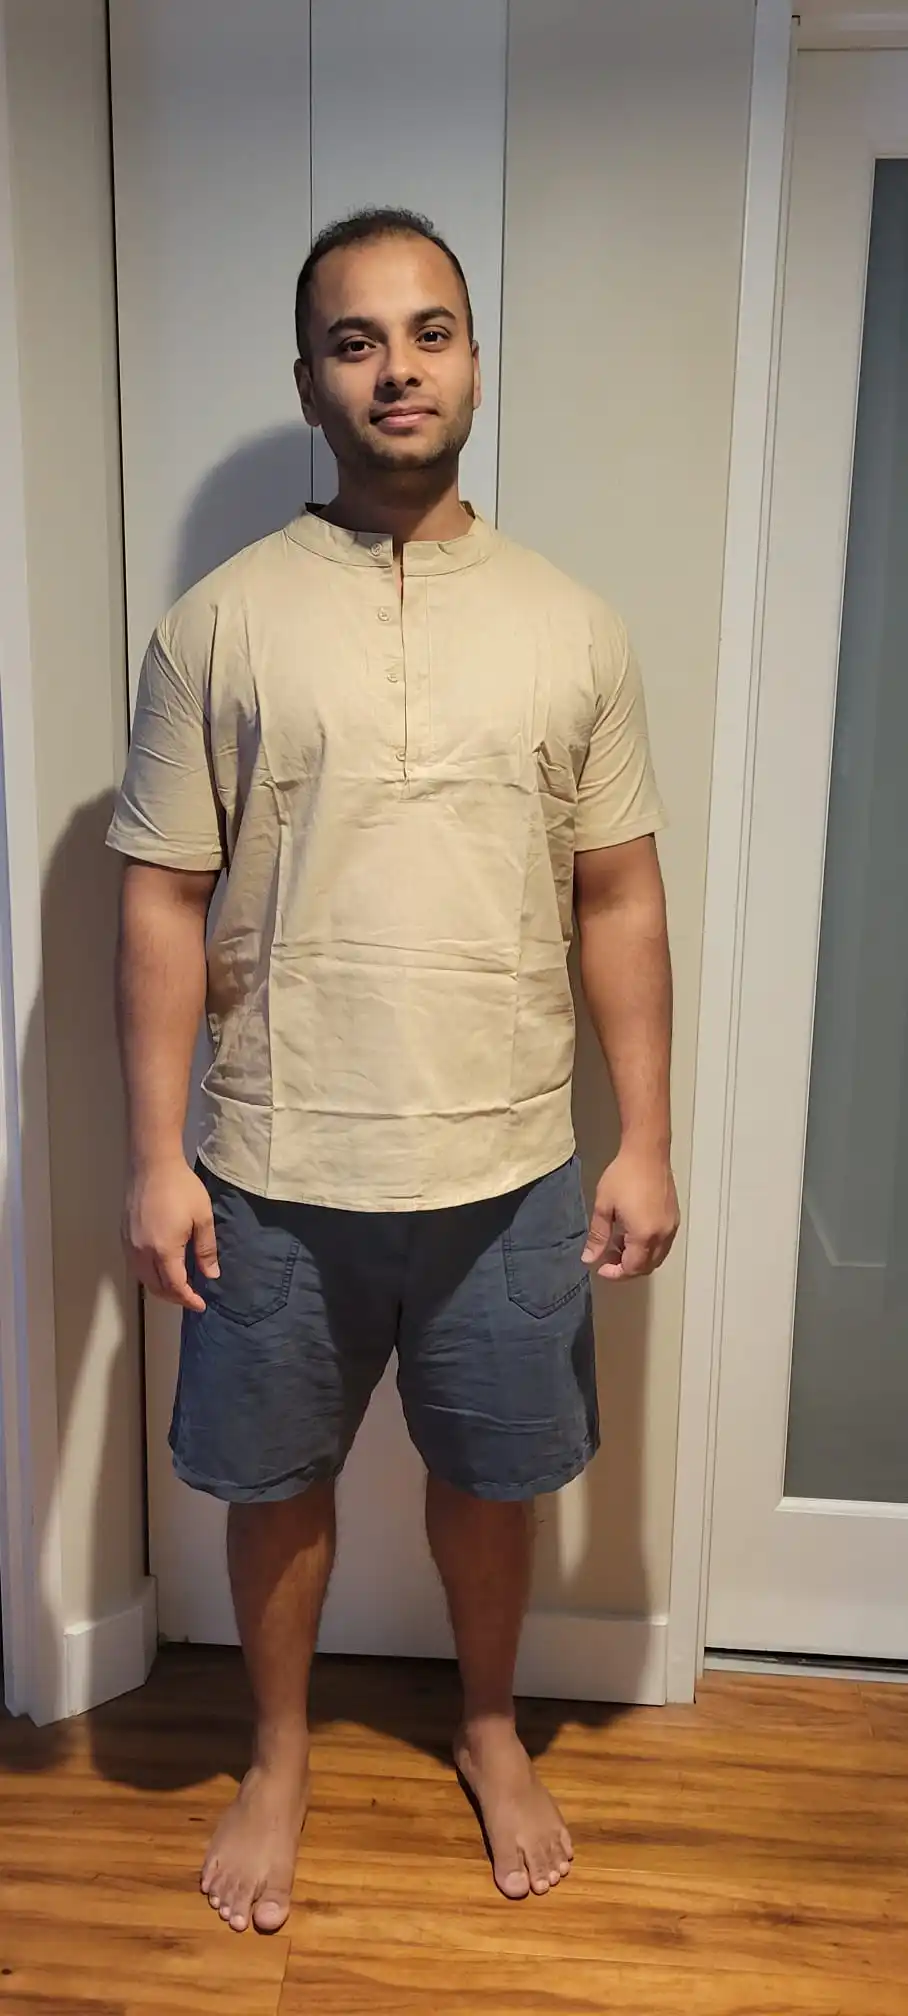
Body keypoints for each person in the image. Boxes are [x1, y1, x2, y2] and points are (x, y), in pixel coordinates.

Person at [109, 206, 679, 1936]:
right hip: (274, 1161)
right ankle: (277, 1752)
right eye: (356, 341)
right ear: (310, 381)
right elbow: (161, 898)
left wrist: (645, 1138)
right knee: (273, 1482)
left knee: (496, 1476)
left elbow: (618, 894)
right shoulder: (218, 626)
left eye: (430, 332)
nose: (398, 368)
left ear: (476, 362)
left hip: (511, 1162)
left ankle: (490, 1724)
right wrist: (155, 1156)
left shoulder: (574, 627)